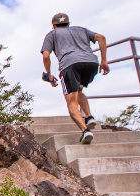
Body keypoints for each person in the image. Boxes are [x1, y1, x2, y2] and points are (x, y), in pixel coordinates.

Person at [41, 13, 110, 144]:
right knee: (78, 90)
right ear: (68, 23)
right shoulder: (81, 30)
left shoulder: (52, 34)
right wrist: (104, 61)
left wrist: (49, 74)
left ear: (53, 26)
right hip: (91, 63)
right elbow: (101, 37)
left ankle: (85, 131)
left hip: (69, 65)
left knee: (71, 103)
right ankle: (89, 117)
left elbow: (45, 56)